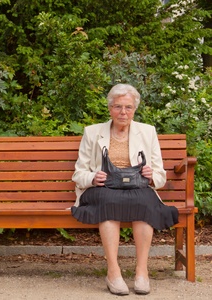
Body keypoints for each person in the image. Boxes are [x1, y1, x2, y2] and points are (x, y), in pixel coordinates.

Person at [71, 83, 179, 296]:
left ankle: (141, 272)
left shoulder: (147, 132)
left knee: (145, 202)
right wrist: (93, 177)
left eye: (128, 107)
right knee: (109, 201)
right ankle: (113, 272)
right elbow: (78, 173)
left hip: (137, 187)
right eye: (118, 107)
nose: (123, 112)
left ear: (135, 109)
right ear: (110, 108)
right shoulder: (92, 132)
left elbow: (160, 174)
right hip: (103, 188)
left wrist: (151, 176)